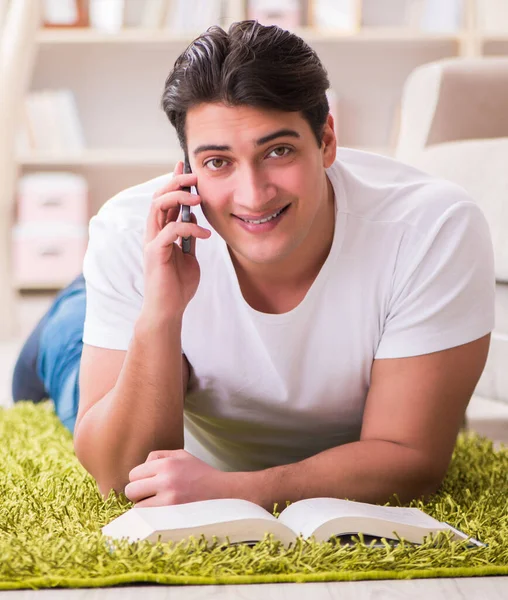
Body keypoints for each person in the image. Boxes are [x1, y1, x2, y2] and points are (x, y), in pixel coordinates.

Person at [13, 20, 495, 511]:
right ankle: (77, 302)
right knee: (57, 368)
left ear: (327, 139)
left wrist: (239, 491)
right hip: (128, 299)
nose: (254, 195)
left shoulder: (431, 230)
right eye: (218, 162)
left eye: (279, 151)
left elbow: (411, 461)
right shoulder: (126, 230)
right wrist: (160, 312)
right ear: (186, 168)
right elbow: (119, 476)